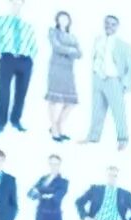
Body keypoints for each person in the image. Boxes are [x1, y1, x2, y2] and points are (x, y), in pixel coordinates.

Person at [83, 15, 131, 151]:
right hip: (98, 78)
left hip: (113, 80)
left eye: (112, 24)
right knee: (96, 109)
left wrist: (124, 83)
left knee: (118, 111)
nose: (109, 26)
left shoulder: (123, 45)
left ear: (117, 26)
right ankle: (93, 137)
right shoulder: (97, 40)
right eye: (107, 23)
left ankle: (123, 139)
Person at [0, 0, 37, 135]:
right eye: (14, 2)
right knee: (4, 92)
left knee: (21, 92)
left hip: (25, 60)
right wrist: (1, 54)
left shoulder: (27, 24)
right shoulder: (1, 20)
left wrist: (31, 57)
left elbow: (32, 43)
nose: (16, 5)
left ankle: (16, 120)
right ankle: (0, 123)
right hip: (7, 58)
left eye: (19, 3)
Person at [46, 11, 81, 142]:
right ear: (57, 20)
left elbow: (80, 54)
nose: (63, 21)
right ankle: (55, 130)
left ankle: (57, 125)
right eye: (61, 18)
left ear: (69, 21)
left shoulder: (72, 36)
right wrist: (71, 50)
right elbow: (57, 47)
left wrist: (69, 50)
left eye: (66, 19)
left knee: (71, 101)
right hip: (56, 68)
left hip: (68, 70)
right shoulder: (53, 32)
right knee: (54, 100)